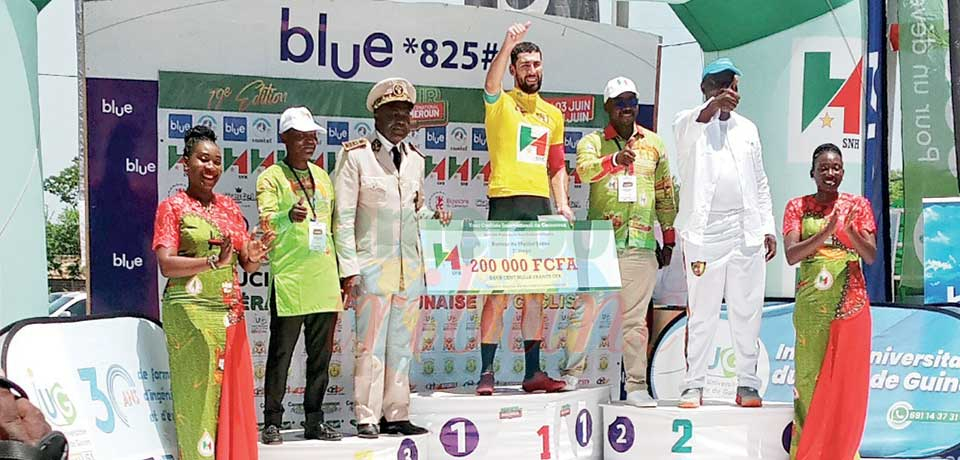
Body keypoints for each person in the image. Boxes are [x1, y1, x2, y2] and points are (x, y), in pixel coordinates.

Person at [334, 77, 451, 439]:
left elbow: (415, 211)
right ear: (376, 115)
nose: (401, 119)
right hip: (372, 268)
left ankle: (396, 413)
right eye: (392, 112)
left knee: (402, 345)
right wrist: (350, 270)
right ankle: (366, 415)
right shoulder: (356, 156)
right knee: (370, 346)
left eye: (406, 113)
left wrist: (435, 216)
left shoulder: (416, 160)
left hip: (409, 270)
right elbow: (343, 219)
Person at [153, 125, 273, 460]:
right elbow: (166, 264)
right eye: (203, 159)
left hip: (230, 313)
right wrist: (209, 262)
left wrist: (255, 255)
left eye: (217, 161)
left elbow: (245, 263)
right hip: (190, 314)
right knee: (200, 400)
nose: (211, 167)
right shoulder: (173, 207)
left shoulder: (231, 208)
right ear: (185, 163)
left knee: (231, 403)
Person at [672, 58, 776, 409]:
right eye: (723, 86)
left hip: (745, 231)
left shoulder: (748, 129)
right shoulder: (688, 123)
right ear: (706, 89)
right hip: (705, 234)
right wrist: (712, 107)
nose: (731, 93)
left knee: (747, 310)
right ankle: (693, 384)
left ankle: (747, 383)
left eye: (734, 86)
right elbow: (692, 126)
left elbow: (760, 181)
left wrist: (767, 225)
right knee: (702, 312)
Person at [566, 77, 677, 407]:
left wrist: (667, 238)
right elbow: (583, 172)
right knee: (584, 312)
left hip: (641, 242)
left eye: (631, 100)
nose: (626, 106)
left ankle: (637, 385)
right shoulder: (593, 142)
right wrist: (615, 161)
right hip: (600, 242)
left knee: (635, 321)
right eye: (619, 101)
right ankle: (572, 374)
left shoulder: (654, 144)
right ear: (607, 107)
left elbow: (664, 193)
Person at [476, 21, 571, 396]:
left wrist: (562, 205)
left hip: (539, 207)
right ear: (514, 70)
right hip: (504, 202)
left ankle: (533, 373)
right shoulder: (501, 103)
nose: (532, 71)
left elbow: (558, 164)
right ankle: (486, 373)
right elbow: (490, 83)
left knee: (535, 295)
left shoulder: (553, 114)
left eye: (537, 64)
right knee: (496, 294)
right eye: (525, 64)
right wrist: (507, 44)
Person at [783, 143, 875, 459]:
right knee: (808, 378)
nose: (830, 173)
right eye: (824, 168)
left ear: (843, 172)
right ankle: (808, 452)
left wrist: (850, 231)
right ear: (813, 173)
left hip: (850, 302)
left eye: (835, 168)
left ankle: (845, 452)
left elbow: (872, 256)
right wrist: (826, 233)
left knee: (847, 382)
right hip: (811, 305)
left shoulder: (858, 205)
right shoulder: (797, 206)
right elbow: (792, 255)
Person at [256, 107, 343, 444]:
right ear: (284, 138)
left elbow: (333, 225)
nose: (309, 142)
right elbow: (265, 221)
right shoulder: (271, 177)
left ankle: (314, 420)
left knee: (320, 356)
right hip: (290, 279)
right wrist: (284, 214)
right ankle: (272, 422)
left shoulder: (323, 177)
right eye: (301, 136)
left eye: (312, 136)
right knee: (281, 355)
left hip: (324, 277)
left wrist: (342, 273)